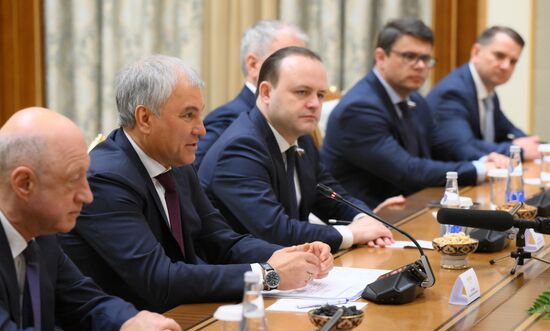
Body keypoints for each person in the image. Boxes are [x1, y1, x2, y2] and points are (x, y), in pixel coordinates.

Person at [59, 55, 333, 314]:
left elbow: (221, 241)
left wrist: (291, 255)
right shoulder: (107, 179)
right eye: (188, 115)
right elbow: (159, 279)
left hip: (181, 313)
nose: (201, 129)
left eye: (200, 115)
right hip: (131, 327)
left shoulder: (177, 163)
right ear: (144, 118)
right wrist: (268, 274)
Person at [0, 108, 205, 331]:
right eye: (74, 180)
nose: (87, 196)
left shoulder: (41, 234)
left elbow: (87, 302)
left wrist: (149, 329)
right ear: (24, 184)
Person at [199, 47, 394, 253]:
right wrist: (352, 234)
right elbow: (275, 231)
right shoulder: (240, 148)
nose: (314, 104)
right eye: (302, 92)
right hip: (245, 276)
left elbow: (335, 198)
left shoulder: (302, 140)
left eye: (320, 95)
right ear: (266, 93)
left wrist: (366, 220)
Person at [321, 18, 508, 209]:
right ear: (380, 57)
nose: (420, 66)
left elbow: (444, 146)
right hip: (371, 216)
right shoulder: (359, 108)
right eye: (409, 56)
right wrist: (478, 169)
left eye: (426, 59)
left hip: (410, 207)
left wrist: (484, 159)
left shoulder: (414, 99)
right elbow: (408, 171)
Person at [195, 20, 308, 167]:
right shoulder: (228, 119)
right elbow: (195, 178)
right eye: (290, 61)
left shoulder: (297, 120)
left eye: (304, 61)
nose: (304, 70)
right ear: (253, 65)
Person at [427, 26, 539, 161]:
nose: (506, 66)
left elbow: (509, 131)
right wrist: (517, 150)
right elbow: (464, 146)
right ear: (476, 52)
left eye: (513, 61)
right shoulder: (452, 92)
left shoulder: (488, 92)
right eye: (499, 56)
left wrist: (535, 144)